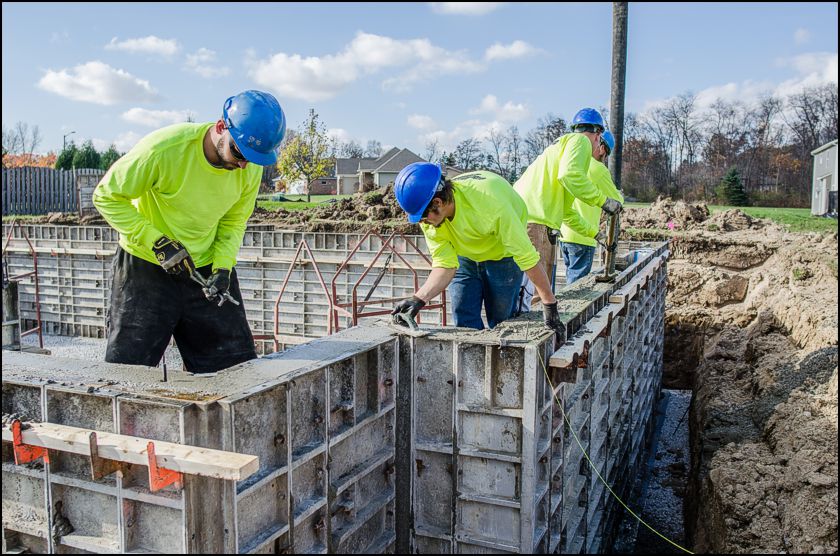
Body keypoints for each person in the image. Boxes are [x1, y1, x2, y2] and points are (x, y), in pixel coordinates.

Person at [93, 90, 286, 372]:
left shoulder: (248, 167)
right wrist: (156, 242)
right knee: (128, 372)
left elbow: (234, 222)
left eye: (253, 159)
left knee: (235, 371)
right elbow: (106, 196)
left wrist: (223, 268)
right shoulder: (163, 150)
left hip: (205, 269)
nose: (243, 165)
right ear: (221, 127)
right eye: (239, 153)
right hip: (145, 269)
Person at [390, 163, 563, 335]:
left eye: (423, 217)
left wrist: (549, 305)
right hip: (465, 256)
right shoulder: (431, 221)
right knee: (463, 321)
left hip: (503, 255)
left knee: (504, 322)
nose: (423, 223)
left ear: (438, 202)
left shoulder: (491, 204)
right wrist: (418, 299)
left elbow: (527, 257)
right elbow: (445, 264)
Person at [514, 107, 622, 311]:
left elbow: (567, 213)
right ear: (598, 135)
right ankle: (532, 339)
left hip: (531, 219)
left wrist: (595, 234)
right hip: (534, 222)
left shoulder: (562, 149)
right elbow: (570, 175)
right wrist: (603, 201)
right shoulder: (579, 141)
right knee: (536, 295)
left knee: (534, 292)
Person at [559, 129, 625, 283]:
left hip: (565, 233)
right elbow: (616, 202)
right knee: (576, 286)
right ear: (602, 149)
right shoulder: (598, 169)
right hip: (584, 237)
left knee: (570, 279)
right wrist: (618, 194)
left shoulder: (573, 163)